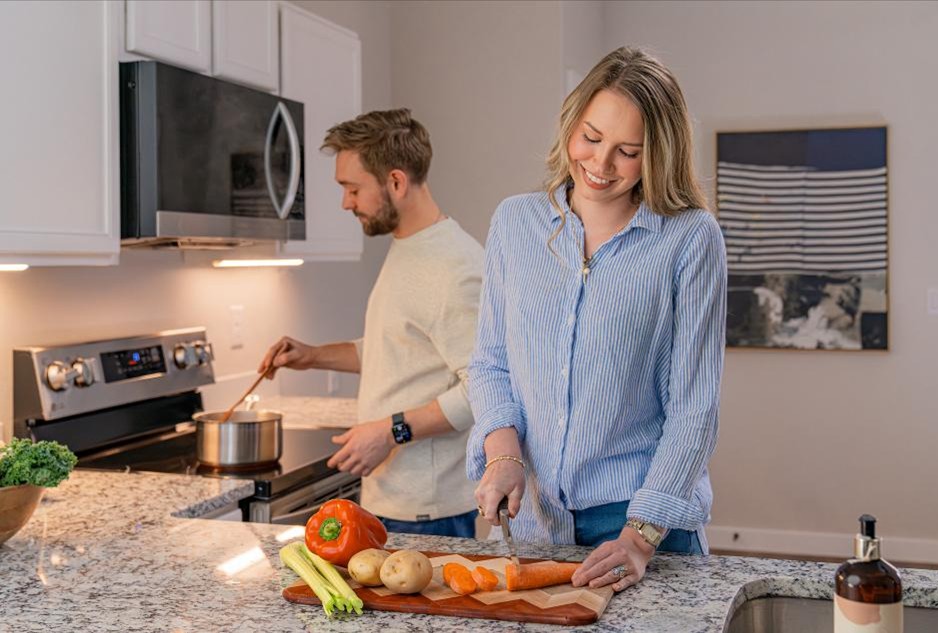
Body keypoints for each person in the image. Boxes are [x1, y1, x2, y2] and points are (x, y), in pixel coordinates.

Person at [466, 47, 727, 592]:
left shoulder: (689, 239)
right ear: (571, 121)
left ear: (658, 154)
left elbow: (694, 410)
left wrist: (637, 538)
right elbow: (491, 364)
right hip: (534, 524)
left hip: (642, 529)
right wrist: (503, 455)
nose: (600, 165)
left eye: (628, 151)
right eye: (591, 137)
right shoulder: (516, 223)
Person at [260, 109, 485, 538]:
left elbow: (483, 388)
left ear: (396, 182)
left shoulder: (453, 267)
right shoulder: (410, 247)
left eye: (352, 188)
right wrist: (312, 356)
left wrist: (390, 431)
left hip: (427, 511)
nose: (346, 202)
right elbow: (400, 350)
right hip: (395, 497)